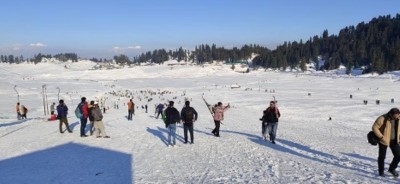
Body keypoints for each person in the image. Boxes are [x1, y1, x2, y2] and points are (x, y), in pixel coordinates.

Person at [372, 108, 400, 177]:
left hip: (394, 140)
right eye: (395, 115)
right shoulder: (382, 118)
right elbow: (374, 127)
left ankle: (392, 169)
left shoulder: (399, 118)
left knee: (398, 155)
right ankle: (381, 171)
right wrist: (381, 137)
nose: (397, 116)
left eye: (398, 114)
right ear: (391, 114)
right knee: (382, 157)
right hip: (383, 140)